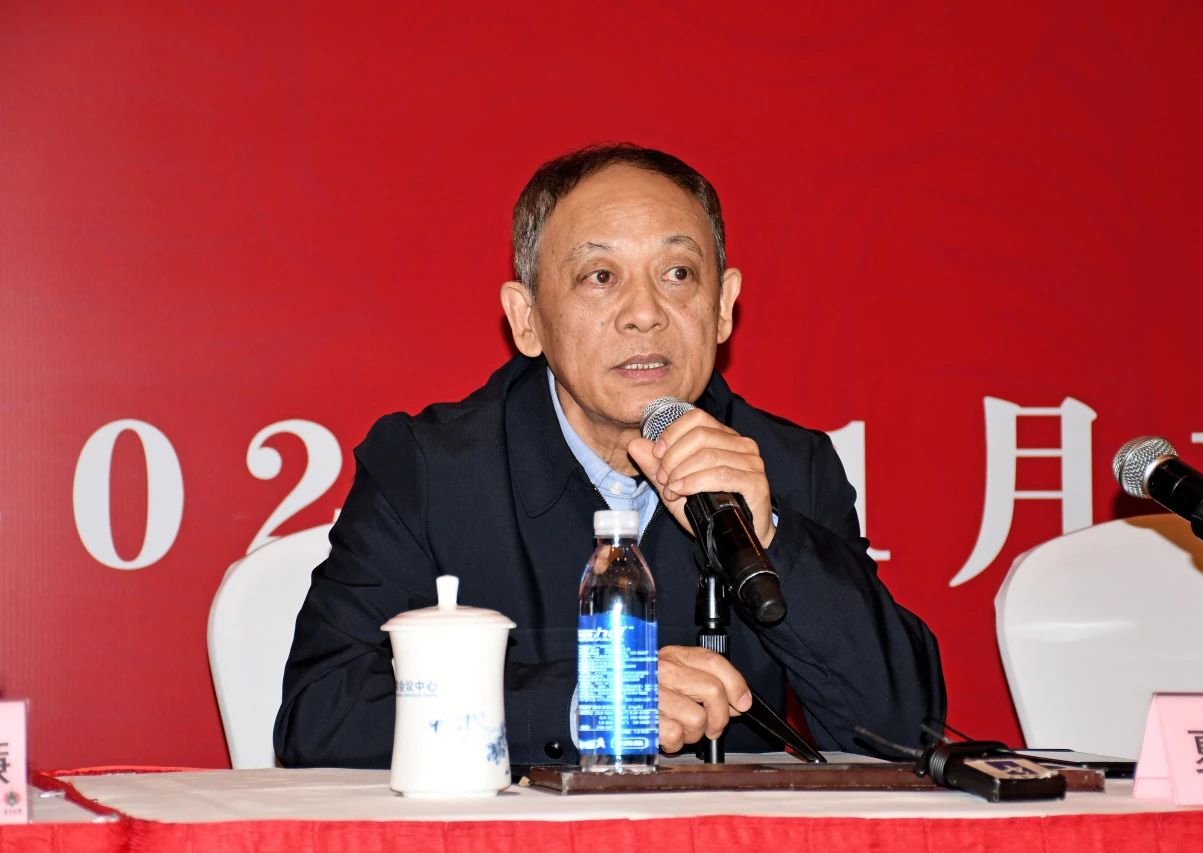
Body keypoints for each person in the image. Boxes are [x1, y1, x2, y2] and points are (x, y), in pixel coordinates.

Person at [274, 144, 945, 768]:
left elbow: (904, 731)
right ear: (527, 318)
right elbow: (321, 716)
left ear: (723, 307)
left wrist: (772, 537)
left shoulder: (788, 467)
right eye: (600, 276)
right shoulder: (431, 471)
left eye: (678, 274)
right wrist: (590, 703)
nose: (644, 313)